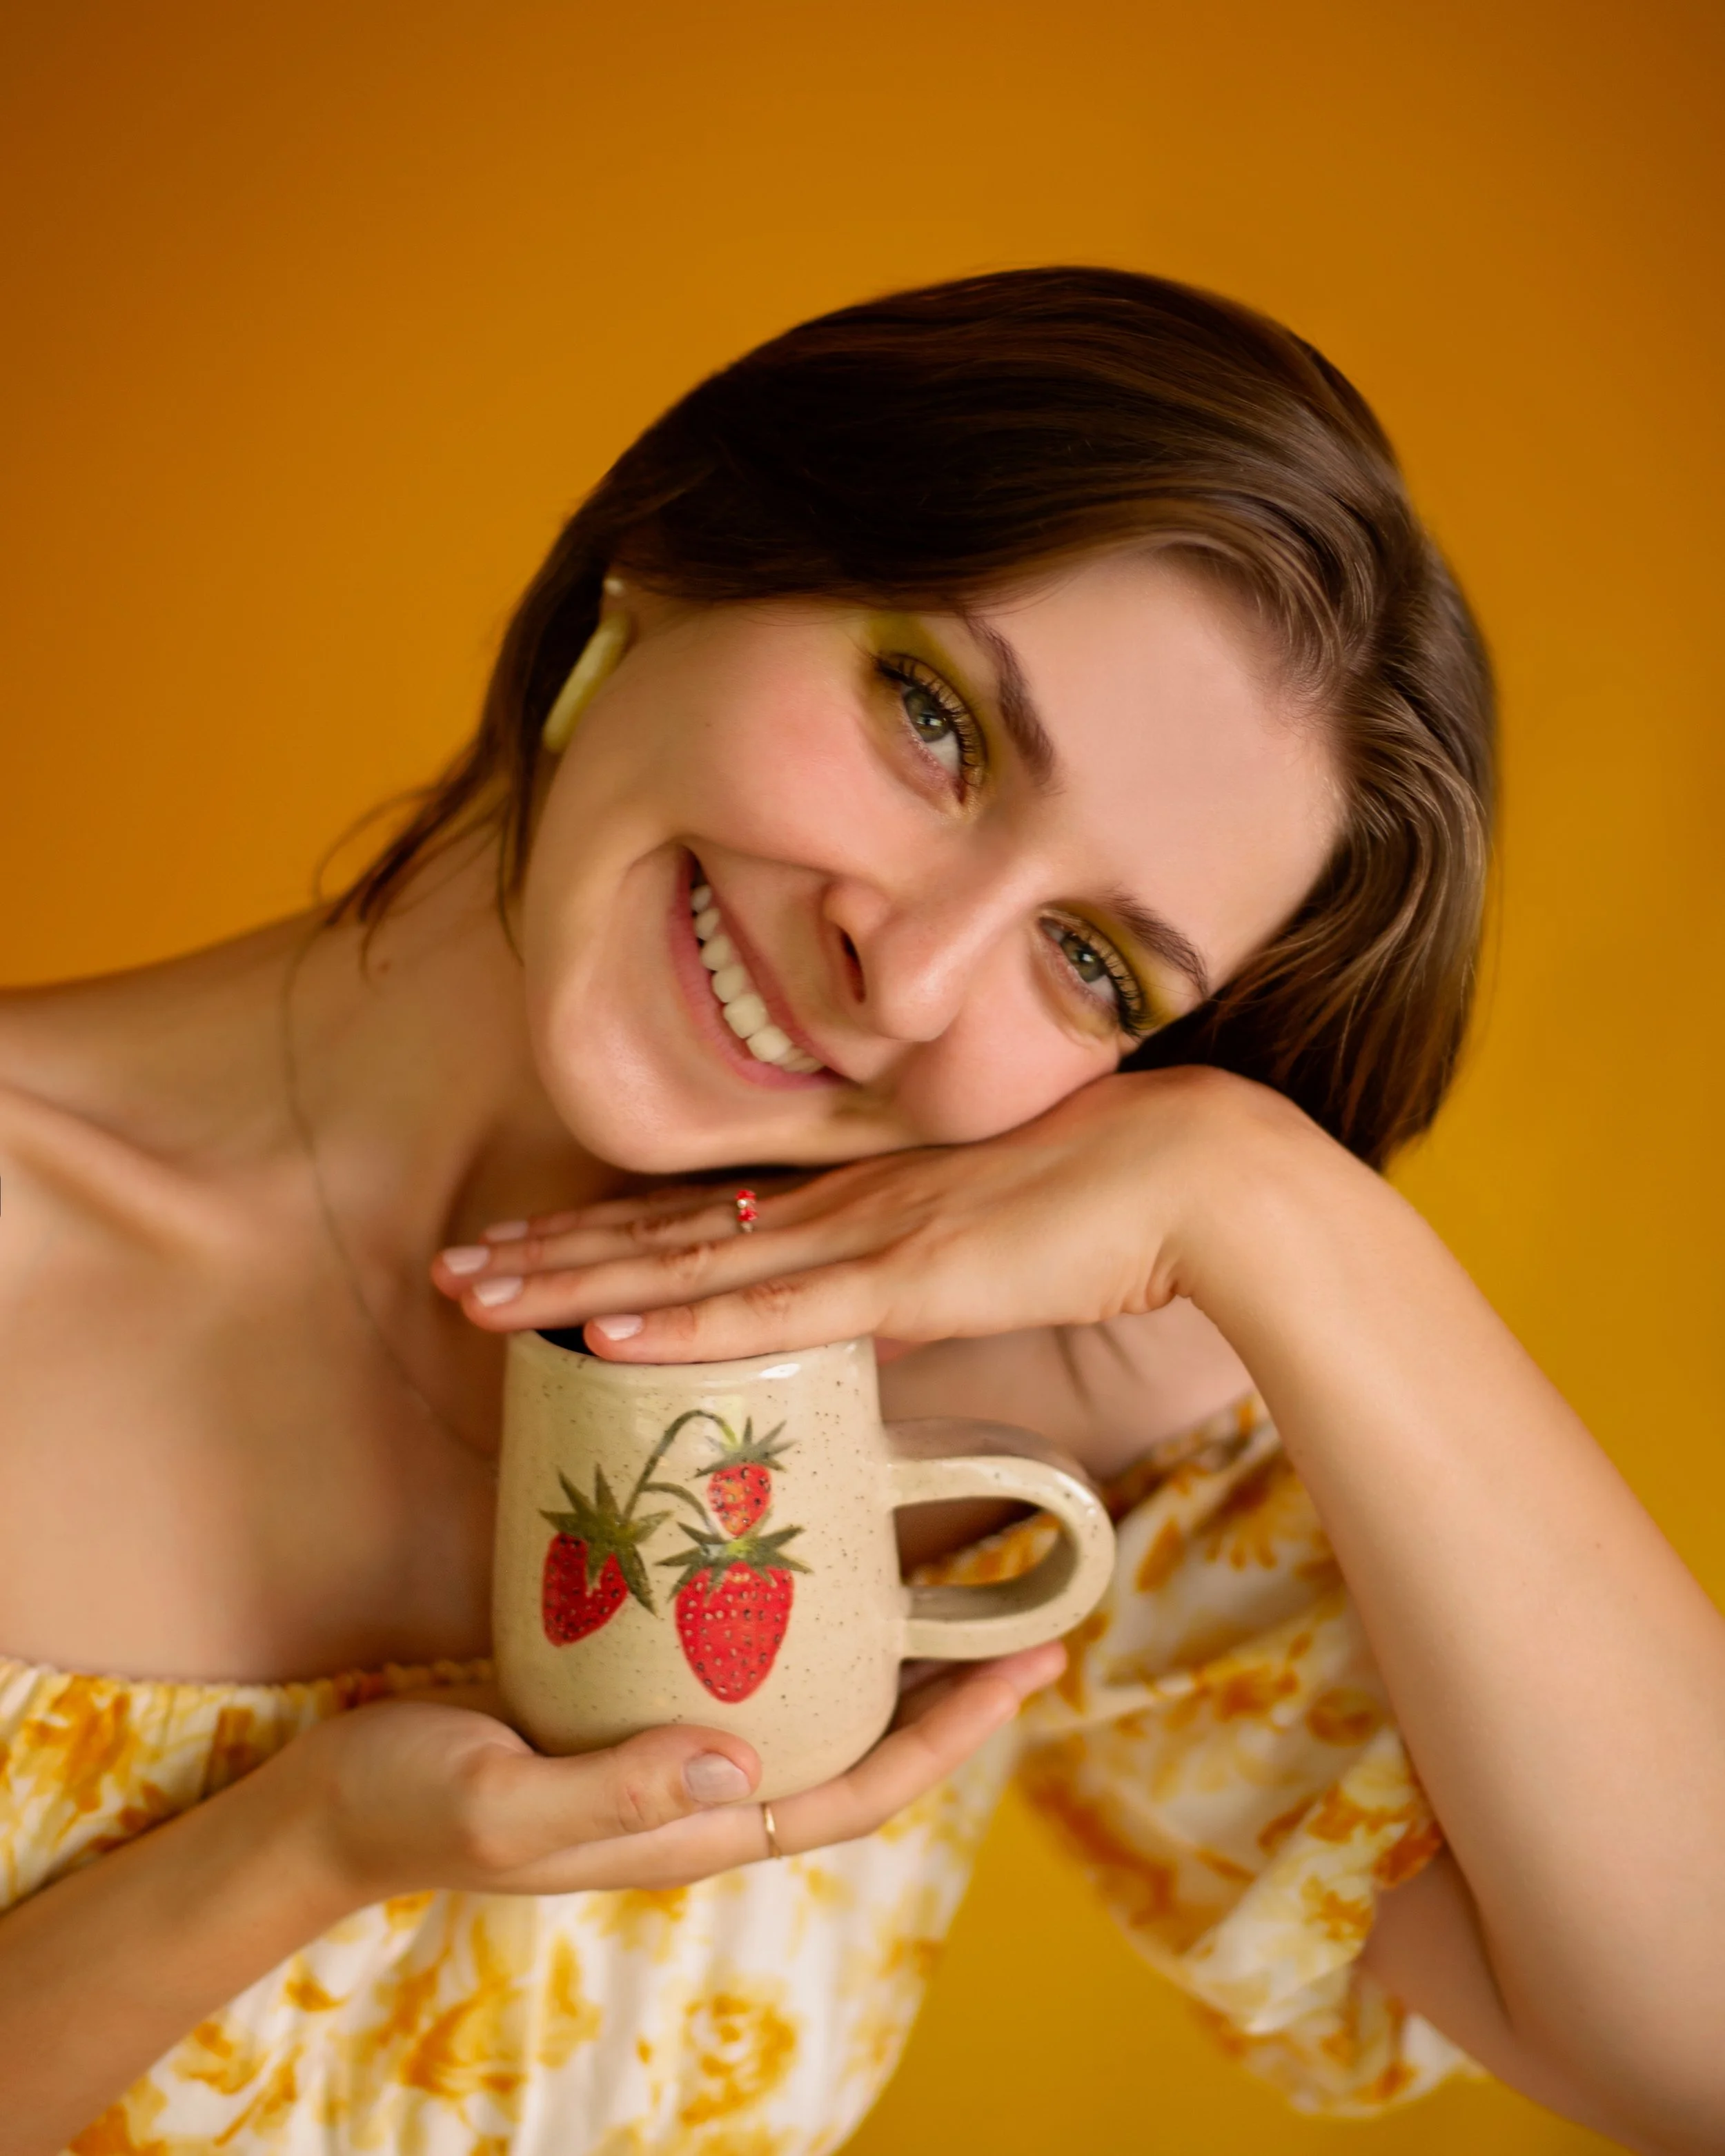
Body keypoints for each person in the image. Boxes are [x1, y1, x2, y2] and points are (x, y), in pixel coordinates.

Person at [0, 267, 1717, 2156]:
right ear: (681, 543)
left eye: (1088, 963)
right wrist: (298, 1846)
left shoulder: (1039, 1422)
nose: (904, 977)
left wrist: (1274, 1201)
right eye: (935, 722)